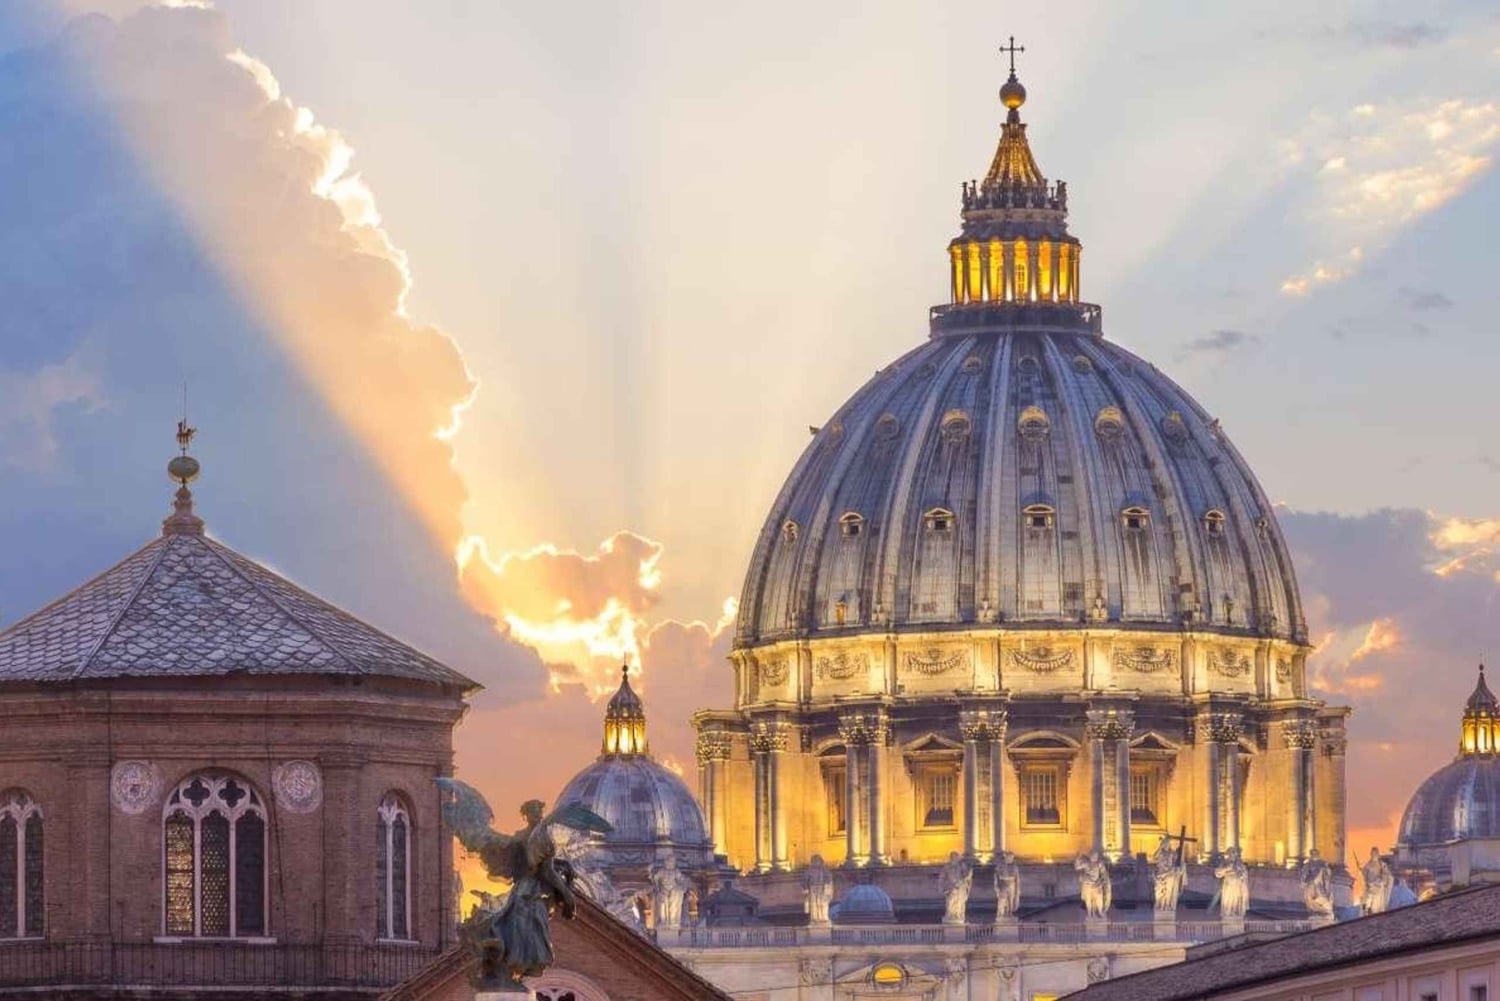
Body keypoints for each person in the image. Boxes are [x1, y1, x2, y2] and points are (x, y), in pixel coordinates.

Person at [650, 855, 693, 929]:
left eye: (671, 862)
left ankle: (673, 922)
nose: (669, 863)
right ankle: (663, 922)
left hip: (674, 890)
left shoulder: (676, 871)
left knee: (673, 905)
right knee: (662, 905)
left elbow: (682, 880)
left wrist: (683, 887)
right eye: (668, 862)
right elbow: (655, 878)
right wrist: (655, 884)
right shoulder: (662, 871)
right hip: (663, 891)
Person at [1151, 834, 1186, 913]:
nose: (1166, 844)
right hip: (1160, 874)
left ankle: (1167, 905)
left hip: (1170, 873)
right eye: (1165, 843)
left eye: (1168, 843)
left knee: (1169, 891)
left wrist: (1180, 867)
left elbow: (1177, 861)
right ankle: (1159, 905)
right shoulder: (1160, 852)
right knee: (1159, 892)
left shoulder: (1172, 853)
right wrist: (1160, 848)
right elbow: (1154, 857)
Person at [1214, 846, 1250, 919]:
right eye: (1232, 853)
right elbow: (1217, 873)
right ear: (1229, 854)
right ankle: (1228, 913)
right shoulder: (1225, 862)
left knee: (1236, 900)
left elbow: (1244, 872)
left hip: (1237, 884)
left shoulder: (1239, 863)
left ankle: (1236, 913)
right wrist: (1226, 868)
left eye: (1235, 853)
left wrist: (1242, 875)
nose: (1233, 855)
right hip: (1228, 884)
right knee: (1228, 900)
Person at [1074, 850, 1111, 919]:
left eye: (1096, 856)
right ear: (1090, 856)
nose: (1094, 857)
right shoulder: (1086, 863)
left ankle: (1100, 912)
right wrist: (1077, 859)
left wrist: (1100, 881)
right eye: (1093, 856)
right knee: (1088, 900)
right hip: (1087, 885)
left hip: (1097, 885)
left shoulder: (1099, 864)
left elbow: (1104, 874)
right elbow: (1077, 867)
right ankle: (1090, 914)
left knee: (1099, 900)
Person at [939, 851, 974, 925]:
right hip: (950, 887)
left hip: (960, 887)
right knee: (950, 903)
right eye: (954, 857)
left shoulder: (962, 866)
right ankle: (950, 916)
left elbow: (966, 876)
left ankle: (958, 916)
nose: (956, 859)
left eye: (957, 857)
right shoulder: (947, 867)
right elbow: (942, 878)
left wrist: (969, 871)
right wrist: (943, 887)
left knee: (959, 903)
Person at [1299, 849, 1333, 917]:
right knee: (1310, 897)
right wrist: (1303, 882)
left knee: (1320, 895)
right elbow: (1304, 874)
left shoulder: (1322, 864)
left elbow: (1328, 873)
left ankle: (1321, 910)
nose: (1314, 855)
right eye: (1313, 853)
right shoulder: (1309, 864)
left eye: (1315, 853)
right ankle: (1316, 910)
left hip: (1319, 883)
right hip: (1312, 883)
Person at [1360, 847, 1394, 915]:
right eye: (1372, 853)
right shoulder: (1368, 865)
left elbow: (1386, 875)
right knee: (1366, 903)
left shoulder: (1382, 865)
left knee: (1376, 908)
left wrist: (1379, 881)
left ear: (1377, 855)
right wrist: (1362, 872)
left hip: (1378, 889)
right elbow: (1364, 873)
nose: (1373, 855)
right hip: (1369, 888)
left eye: (1374, 853)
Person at [803, 854, 834, 925]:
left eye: (817, 860)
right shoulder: (809, 871)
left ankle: (823, 918)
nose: (816, 862)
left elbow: (829, 879)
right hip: (813, 889)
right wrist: (805, 888)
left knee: (822, 904)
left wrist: (827, 887)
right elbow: (805, 880)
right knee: (814, 905)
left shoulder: (825, 870)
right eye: (814, 860)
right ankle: (815, 919)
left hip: (822, 889)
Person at [993, 851, 1021, 919]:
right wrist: (996, 886)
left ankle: (1010, 913)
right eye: (1009, 857)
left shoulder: (1015, 867)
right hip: (1003, 885)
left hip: (1012, 885)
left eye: (1012, 858)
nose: (1011, 859)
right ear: (1006, 857)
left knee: (1011, 900)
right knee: (1002, 900)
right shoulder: (1000, 866)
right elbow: (996, 877)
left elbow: (1017, 878)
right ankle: (1001, 914)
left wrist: (1018, 889)